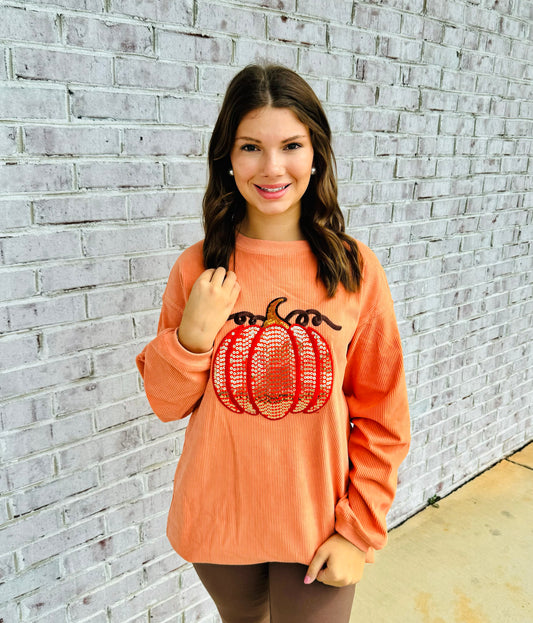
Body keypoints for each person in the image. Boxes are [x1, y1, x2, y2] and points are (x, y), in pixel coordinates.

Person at [136, 64, 410, 623]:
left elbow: (383, 413)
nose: (272, 167)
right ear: (227, 159)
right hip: (219, 518)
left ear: (316, 154)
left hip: (319, 525)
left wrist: (358, 532)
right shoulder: (197, 268)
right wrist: (193, 336)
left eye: (291, 145)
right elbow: (166, 404)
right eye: (250, 147)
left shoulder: (354, 270)